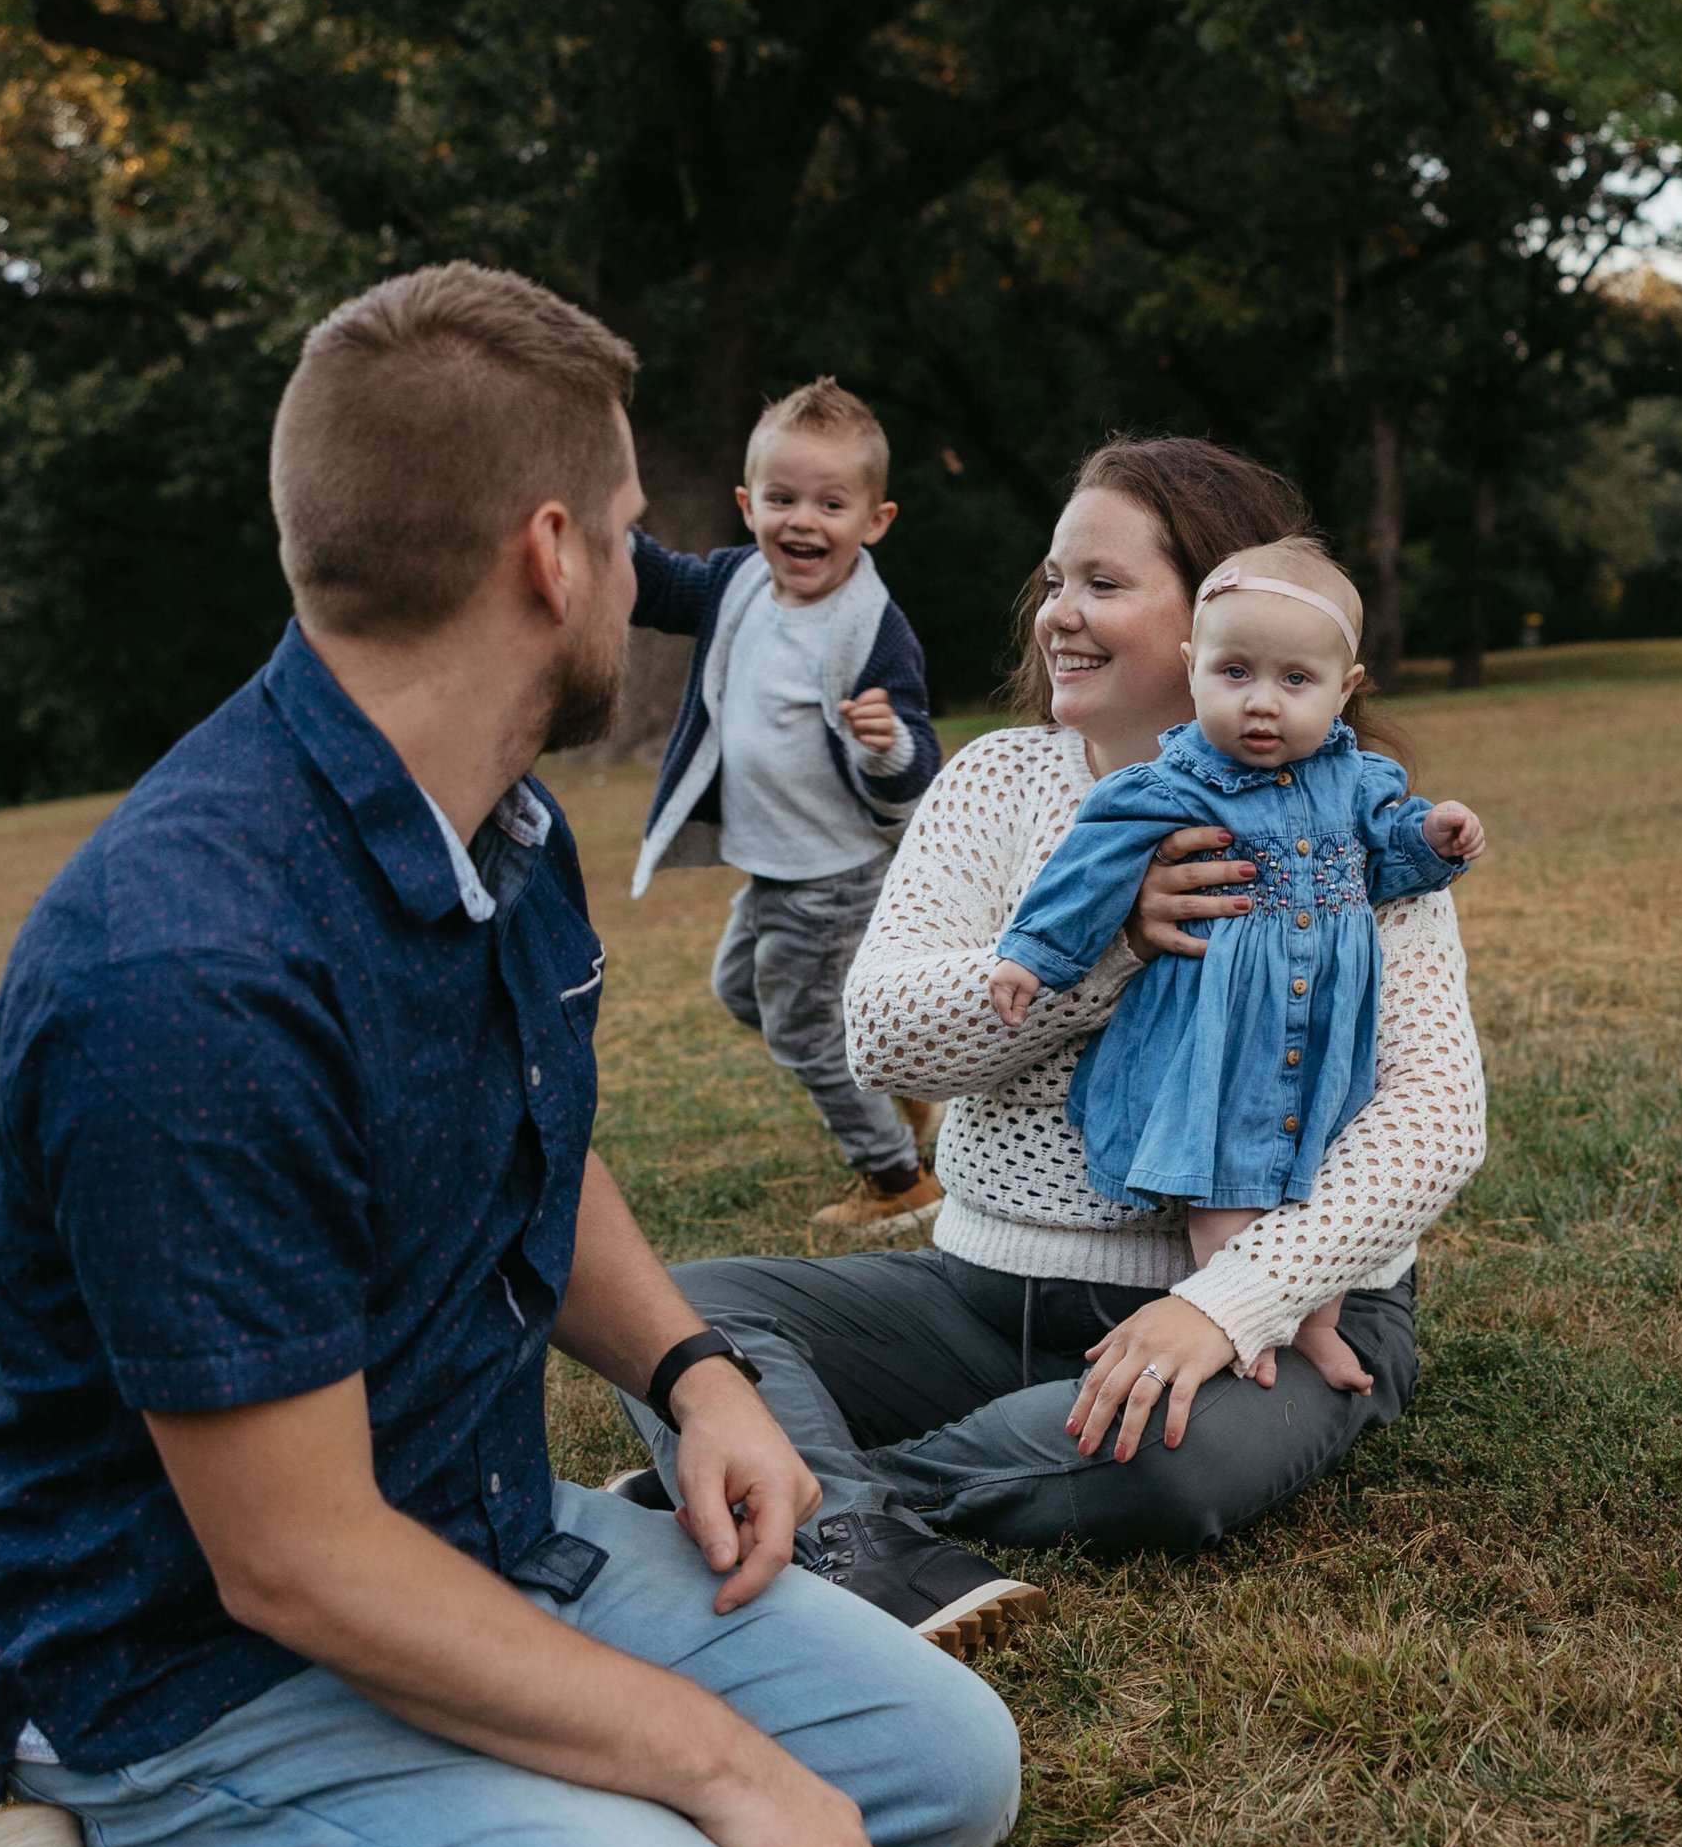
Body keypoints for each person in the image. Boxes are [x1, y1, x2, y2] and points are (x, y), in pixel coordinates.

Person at [0, 267, 1018, 1847]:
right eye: (633, 533)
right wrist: (707, 1764)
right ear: (552, 554)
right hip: (199, 1666)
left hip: (470, 1545)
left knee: (948, 1773)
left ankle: (532, 1798)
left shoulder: (497, 823)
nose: (648, 574)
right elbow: (287, 1560)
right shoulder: (190, 971)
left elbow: (531, 1138)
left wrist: (700, 1372)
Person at [605, 439, 1488, 1566]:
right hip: (987, 1303)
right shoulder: (996, 779)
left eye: (1103, 585)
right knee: (682, 1315)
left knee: (1170, 1462)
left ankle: (810, 1494)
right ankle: (854, 1508)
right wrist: (1108, 944)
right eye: (1055, 581)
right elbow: (881, 1036)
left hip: (1263, 1319)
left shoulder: (1355, 827)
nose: (1058, 615)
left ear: (1227, 612)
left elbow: (1431, 1121)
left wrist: (1229, 1302)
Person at [989, 538, 1484, 1394]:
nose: (1262, 704)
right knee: (1231, 1188)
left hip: (1325, 1032)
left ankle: (1317, 1326)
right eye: (1235, 673)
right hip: (1220, 1039)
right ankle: (1244, 1327)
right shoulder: (1175, 781)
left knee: (1314, 1178)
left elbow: (1389, 859)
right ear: (1194, 668)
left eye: (1295, 681)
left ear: (1345, 688)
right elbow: (1089, 870)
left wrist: (1431, 839)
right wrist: (1032, 954)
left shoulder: (1356, 782)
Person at [630, 375, 945, 1242]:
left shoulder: (873, 627)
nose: (803, 521)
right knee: (743, 991)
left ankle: (895, 1180)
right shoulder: (736, 586)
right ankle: (891, 1080)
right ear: (747, 504)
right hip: (774, 864)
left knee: (805, 1030)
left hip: (836, 870)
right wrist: (592, 524)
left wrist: (885, 745)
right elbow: (656, 585)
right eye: (781, 498)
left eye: (831, 503)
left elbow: (919, 757)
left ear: (874, 521)